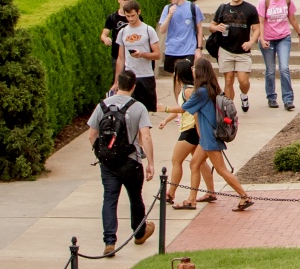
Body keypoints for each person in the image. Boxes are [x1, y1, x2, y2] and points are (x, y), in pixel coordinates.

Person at [88, 70, 156, 254]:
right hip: (131, 161)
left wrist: (103, 153)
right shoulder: (138, 107)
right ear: (134, 86)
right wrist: (150, 163)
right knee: (135, 197)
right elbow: (146, 136)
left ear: (117, 84)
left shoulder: (102, 106)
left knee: (109, 199)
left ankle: (109, 241)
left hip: (108, 164)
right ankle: (139, 233)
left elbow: (91, 135)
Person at [172, 58, 253, 211]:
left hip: (209, 136)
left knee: (221, 169)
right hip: (206, 137)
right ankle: (192, 200)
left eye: (195, 68)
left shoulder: (201, 92)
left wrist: (164, 109)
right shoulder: (211, 88)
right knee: (194, 164)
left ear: (200, 71)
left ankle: (244, 195)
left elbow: (184, 108)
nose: (192, 70)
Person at [158, 58, 215, 208]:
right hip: (192, 130)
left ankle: (170, 193)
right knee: (200, 163)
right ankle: (211, 191)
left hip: (190, 130)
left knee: (176, 161)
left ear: (179, 74)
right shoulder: (188, 89)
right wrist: (166, 120)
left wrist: (165, 109)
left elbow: (192, 110)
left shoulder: (188, 90)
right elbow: (181, 107)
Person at [208, 0, 261, 112]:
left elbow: (257, 29)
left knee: (243, 81)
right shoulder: (223, 8)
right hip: (225, 49)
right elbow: (211, 26)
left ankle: (244, 95)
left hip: (242, 51)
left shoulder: (250, 9)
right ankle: (229, 109)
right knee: (228, 80)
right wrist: (216, 28)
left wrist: (251, 42)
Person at [257, 0, 300, 111]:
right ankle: (271, 97)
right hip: (268, 39)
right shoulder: (264, 1)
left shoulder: (287, 1)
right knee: (270, 70)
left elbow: (292, 18)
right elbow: (260, 21)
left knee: (284, 68)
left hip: (283, 37)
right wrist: (262, 38)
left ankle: (288, 99)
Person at [113, 0, 161, 112]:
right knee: (128, 111)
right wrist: (116, 81)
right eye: (127, 16)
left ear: (139, 12)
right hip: (129, 76)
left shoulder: (148, 30)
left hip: (146, 75)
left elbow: (157, 54)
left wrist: (142, 54)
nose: (130, 19)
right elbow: (120, 58)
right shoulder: (123, 32)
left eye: (133, 15)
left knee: (146, 111)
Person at [157, 0, 203, 77]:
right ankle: (179, 93)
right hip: (172, 49)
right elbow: (162, 30)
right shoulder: (167, 8)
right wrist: (169, 15)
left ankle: (188, 92)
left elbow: (199, 30)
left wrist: (199, 49)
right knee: (176, 77)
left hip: (189, 49)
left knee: (188, 76)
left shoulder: (193, 7)